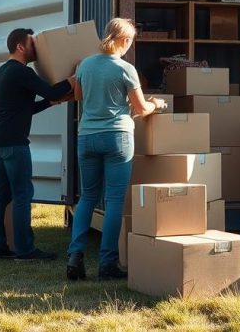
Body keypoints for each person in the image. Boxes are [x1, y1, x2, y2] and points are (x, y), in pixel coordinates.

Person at [66, 18, 165, 281]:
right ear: (124, 40)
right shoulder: (126, 69)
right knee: (113, 201)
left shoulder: (84, 65)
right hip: (117, 138)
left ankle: (75, 256)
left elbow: (77, 96)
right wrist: (156, 104)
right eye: (130, 41)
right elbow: (142, 109)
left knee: (87, 197)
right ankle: (107, 264)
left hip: (87, 137)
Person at [0, 28, 75, 261]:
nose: (36, 48)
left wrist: (51, 103)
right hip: (13, 142)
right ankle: (25, 250)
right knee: (23, 194)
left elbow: (26, 108)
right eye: (32, 43)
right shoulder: (20, 71)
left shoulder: (4, 71)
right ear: (20, 47)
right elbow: (51, 89)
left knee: (1, 194)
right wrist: (76, 77)